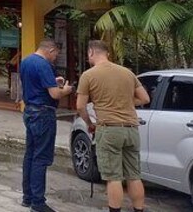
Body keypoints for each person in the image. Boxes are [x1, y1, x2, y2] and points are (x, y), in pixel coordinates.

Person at [76, 40, 151, 212]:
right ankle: (138, 209)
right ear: (108, 53)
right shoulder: (127, 73)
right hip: (131, 129)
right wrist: (125, 102)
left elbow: (80, 106)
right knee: (134, 175)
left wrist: (89, 123)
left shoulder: (88, 75)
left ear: (90, 53)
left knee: (113, 177)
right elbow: (145, 98)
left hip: (109, 129)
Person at [20, 38, 74, 212]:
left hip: (30, 111)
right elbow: (55, 94)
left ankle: (27, 197)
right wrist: (65, 90)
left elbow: (39, 84)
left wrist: (53, 81)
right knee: (41, 157)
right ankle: (38, 201)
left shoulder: (26, 61)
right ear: (50, 50)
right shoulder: (43, 65)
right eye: (56, 53)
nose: (56, 57)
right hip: (43, 113)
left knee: (30, 154)